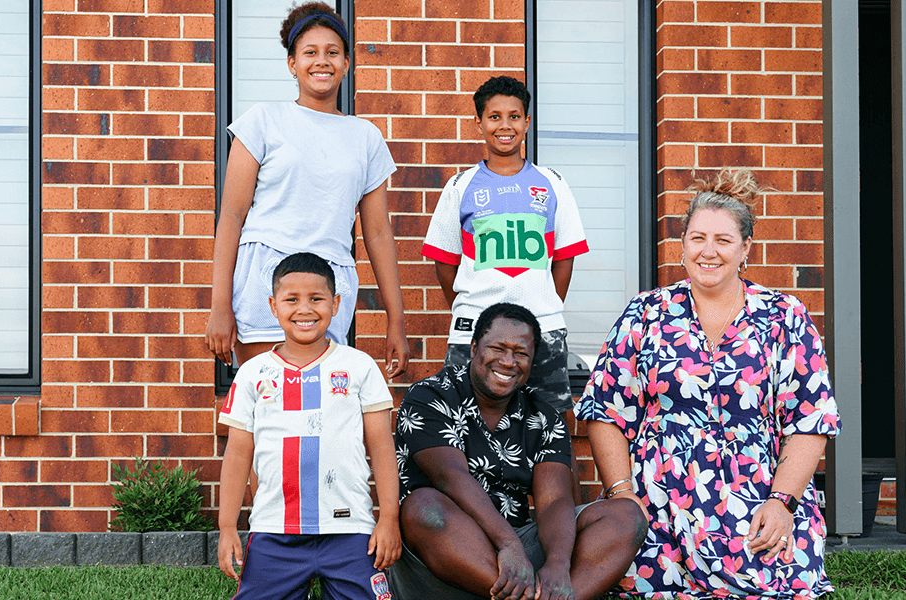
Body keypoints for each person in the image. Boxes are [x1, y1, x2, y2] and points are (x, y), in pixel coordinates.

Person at [575, 170, 842, 598]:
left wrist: (783, 502)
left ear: (745, 250)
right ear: (682, 246)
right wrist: (624, 496)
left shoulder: (784, 316)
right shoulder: (646, 313)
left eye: (723, 240)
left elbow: (810, 420)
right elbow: (605, 410)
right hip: (659, 499)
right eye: (698, 238)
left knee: (772, 582)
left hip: (759, 494)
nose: (708, 252)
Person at [206, 1, 409, 381]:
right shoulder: (263, 121)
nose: (322, 61)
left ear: (347, 63)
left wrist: (395, 319)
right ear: (292, 64)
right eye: (310, 52)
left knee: (317, 411)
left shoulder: (365, 137)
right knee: (264, 406)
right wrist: (220, 306)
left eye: (333, 52)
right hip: (265, 278)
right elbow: (232, 215)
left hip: (329, 284)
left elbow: (378, 233)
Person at [388, 303, 644, 600]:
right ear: (473, 348)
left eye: (521, 353)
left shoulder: (543, 416)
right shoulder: (430, 396)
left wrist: (558, 565)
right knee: (424, 506)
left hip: (520, 551)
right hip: (448, 553)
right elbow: (452, 479)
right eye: (498, 348)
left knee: (627, 516)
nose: (508, 362)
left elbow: (554, 501)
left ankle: (551, 595)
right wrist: (508, 545)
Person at [217, 252, 400, 599]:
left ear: (335, 303)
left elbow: (380, 445)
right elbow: (239, 453)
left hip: (349, 529)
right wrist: (227, 527)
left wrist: (388, 516)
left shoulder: (358, 367)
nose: (304, 309)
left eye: (316, 299)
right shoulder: (253, 374)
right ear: (273, 306)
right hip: (274, 531)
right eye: (291, 299)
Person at [421, 76, 588, 414]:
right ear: (479, 122)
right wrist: (469, 307)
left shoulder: (552, 183)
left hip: (543, 331)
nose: (504, 125)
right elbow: (445, 262)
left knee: (546, 429)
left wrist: (544, 303)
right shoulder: (460, 185)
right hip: (472, 328)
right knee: (461, 426)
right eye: (494, 116)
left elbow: (565, 258)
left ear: (527, 122)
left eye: (514, 116)